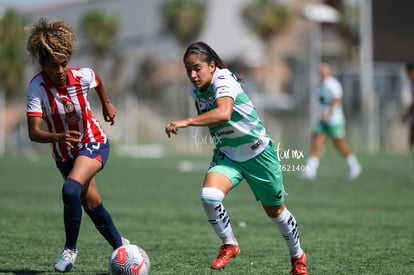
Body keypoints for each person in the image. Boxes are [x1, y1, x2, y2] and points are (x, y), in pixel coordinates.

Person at [165, 41, 308, 275]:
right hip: (228, 155)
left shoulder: (223, 78)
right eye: (188, 69)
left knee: (276, 212)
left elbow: (223, 112)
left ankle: (298, 256)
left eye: (197, 68)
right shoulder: (196, 90)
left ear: (212, 66)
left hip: (259, 154)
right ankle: (230, 244)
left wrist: (186, 121)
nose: (192, 74)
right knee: (209, 197)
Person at [25, 18, 128, 273]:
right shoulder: (36, 88)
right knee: (91, 203)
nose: (60, 70)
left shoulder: (81, 77)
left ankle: (70, 250)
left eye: (64, 64)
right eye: (53, 66)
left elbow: (96, 77)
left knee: (70, 190)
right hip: (64, 153)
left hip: (93, 142)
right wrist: (57, 137)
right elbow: (34, 133)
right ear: (43, 65)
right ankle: (122, 248)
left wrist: (106, 104)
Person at [301, 63, 361, 181]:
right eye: (320, 72)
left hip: (335, 120)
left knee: (339, 144)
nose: (322, 74)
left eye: (324, 71)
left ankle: (354, 165)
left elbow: (336, 100)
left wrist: (328, 113)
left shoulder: (333, 84)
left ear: (328, 72)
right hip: (323, 121)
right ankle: (310, 171)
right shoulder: (318, 86)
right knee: (316, 142)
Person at [402, 63, 414, 172]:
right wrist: (406, 115)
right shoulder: (411, 83)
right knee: (411, 141)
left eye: (409, 72)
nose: (408, 75)